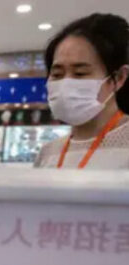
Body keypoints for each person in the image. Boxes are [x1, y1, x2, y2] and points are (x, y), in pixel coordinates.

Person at [35, 13, 129, 169]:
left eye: (80, 73)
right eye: (57, 74)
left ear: (119, 78)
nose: (66, 83)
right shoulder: (48, 153)